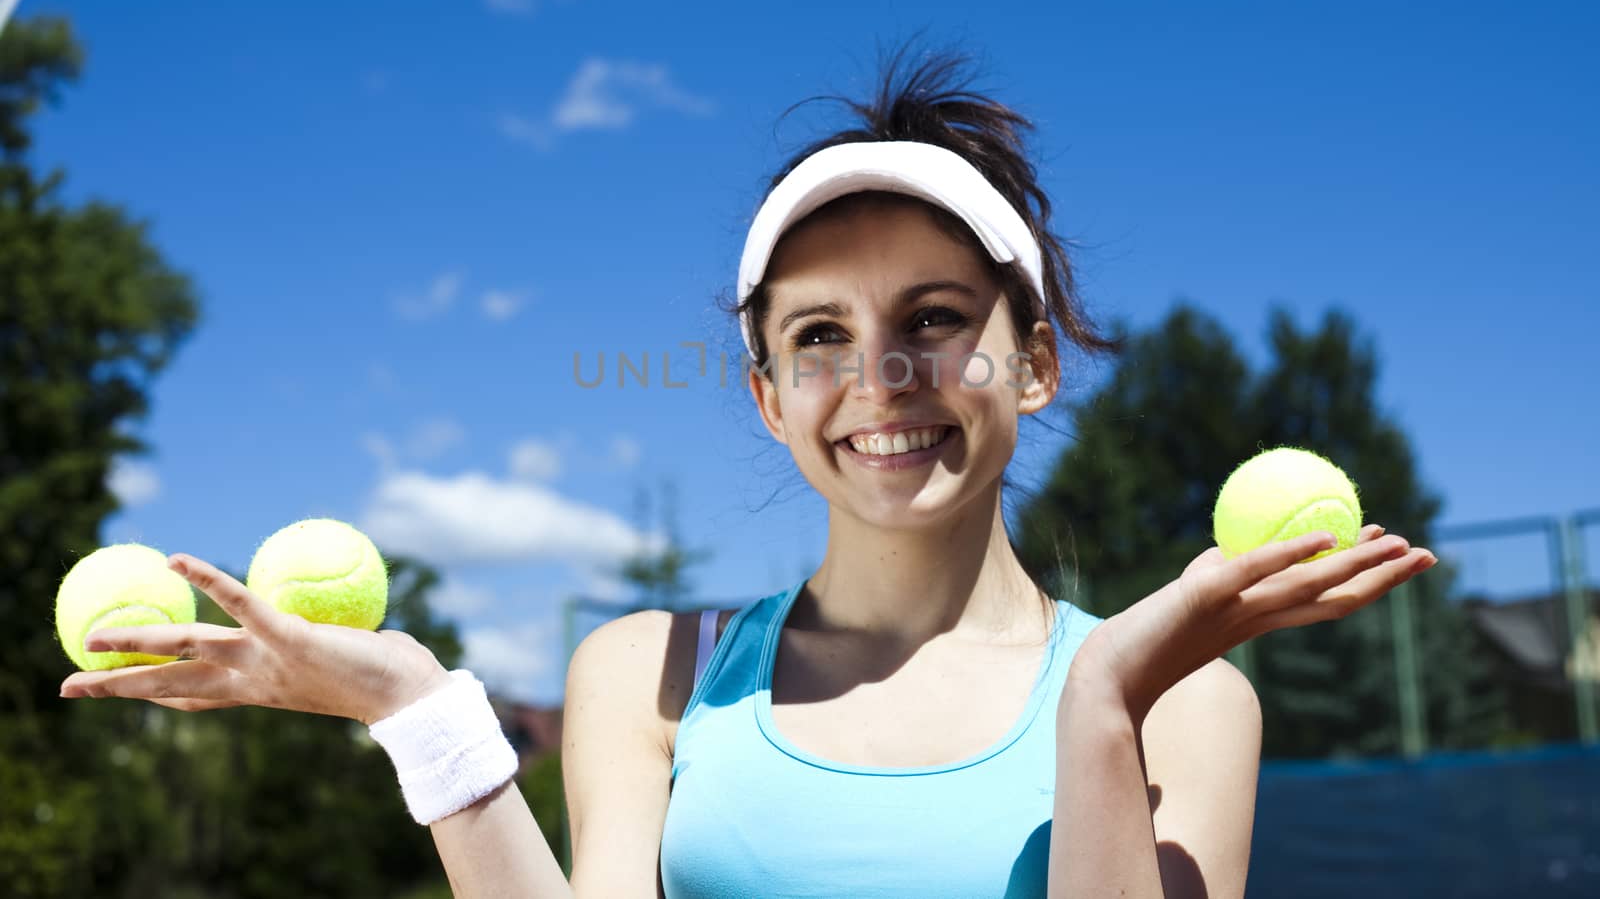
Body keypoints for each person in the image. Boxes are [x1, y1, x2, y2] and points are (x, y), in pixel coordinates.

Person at [59, 48, 1438, 898]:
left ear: (1035, 362)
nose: (881, 377)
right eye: (821, 336)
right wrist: (420, 712)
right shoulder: (648, 675)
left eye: (938, 320)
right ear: (770, 397)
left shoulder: (1184, 709)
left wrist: (1100, 703)